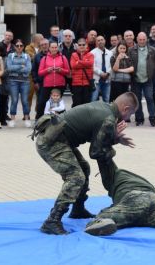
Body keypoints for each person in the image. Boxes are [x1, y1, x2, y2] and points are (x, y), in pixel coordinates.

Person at [33, 92, 139, 235]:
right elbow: (96, 152)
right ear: (125, 109)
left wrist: (114, 138)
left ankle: (78, 209)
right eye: (130, 114)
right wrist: (112, 145)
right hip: (51, 142)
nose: (128, 118)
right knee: (76, 177)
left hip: (59, 139)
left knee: (84, 168)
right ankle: (52, 221)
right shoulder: (108, 118)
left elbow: (96, 137)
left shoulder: (105, 107)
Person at [128, 32, 155, 127]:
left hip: (148, 79)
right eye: (140, 39)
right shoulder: (131, 50)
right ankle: (139, 119)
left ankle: (152, 118)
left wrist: (152, 74)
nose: (142, 41)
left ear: (146, 39)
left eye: (143, 39)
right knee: (137, 100)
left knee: (150, 98)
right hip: (136, 79)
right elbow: (129, 63)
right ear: (137, 39)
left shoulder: (152, 50)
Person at [6, 39, 32, 128]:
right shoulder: (11, 55)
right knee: (14, 100)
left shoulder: (27, 56)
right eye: (17, 45)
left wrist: (15, 68)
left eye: (21, 45)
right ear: (14, 47)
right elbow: (9, 68)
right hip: (13, 81)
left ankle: (27, 119)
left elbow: (28, 69)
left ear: (23, 47)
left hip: (25, 81)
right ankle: (12, 120)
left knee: (25, 101)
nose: (19, 47)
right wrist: (21, 66)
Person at [38, 41, 70, 110]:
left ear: (58, 48)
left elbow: (68, 71)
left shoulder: (63, 57)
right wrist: (47, 70)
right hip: (47, 85)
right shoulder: (45, 58)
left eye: (56, 47)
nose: (54, 49)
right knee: (42, 102)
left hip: (60, 84)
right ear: (49, 48)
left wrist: (61, 70)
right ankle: (40, 118)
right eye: (52, 47)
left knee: (58, 103)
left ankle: (59, 118)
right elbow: (40, 72)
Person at [0, 30, 15, 126]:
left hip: (9, 75)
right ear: (4, 36)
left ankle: (4, 114)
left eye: (10, 36)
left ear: (12, 37)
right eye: (6, 35)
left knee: (5, 97)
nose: (8, 37)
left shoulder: (14, 47)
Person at [70, 38, 94, 107]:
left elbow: (90, 64)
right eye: (80, 45)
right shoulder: (74, 55)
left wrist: (79, 62)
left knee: (86, 104)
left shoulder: (90, 55)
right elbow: (73, 65)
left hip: (87, 83)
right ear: (77, 46)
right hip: (76, 83)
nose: (81, 46)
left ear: (86, 45)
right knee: (77, 103)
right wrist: (85, 63)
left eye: (83, 44)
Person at [25, 33, 44, 112]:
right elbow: (31, 58)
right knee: (29, 94)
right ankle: (27, 112)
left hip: (39, 73)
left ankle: (38, 111)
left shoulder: (42, 47)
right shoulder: (28, 47)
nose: (43, 40)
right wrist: (38, 56)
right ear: (37, 39)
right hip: (30, 74)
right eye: (42, 38)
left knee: (39, 94)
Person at [91, 35, 112, 102]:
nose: (100, 42)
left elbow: (112, 65)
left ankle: (106, 112)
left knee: (106, 100)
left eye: (102, 40)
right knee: (93, 99)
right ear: (96, 43)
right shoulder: (92, 53)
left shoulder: (110, 53)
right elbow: (92, 66)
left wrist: (108, 73)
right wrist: (101, 73)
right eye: (98, 40)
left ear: (105, 41)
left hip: (107, 79)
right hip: (96, 80)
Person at [32, 38, 49, 120]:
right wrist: (35, 82)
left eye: (46, 44)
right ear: (40, 46)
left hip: (51, 82)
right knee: (41, 102)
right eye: (42, 45)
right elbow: (34, 70)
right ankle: (38, 119)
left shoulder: (54, 54)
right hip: (41, 83)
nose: (44, 46)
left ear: (48, 45)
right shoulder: (37, 57)